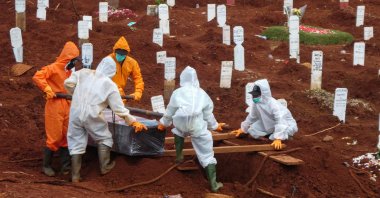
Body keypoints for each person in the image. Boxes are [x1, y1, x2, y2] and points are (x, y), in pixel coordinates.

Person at [64, 57, 147, 183]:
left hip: (75, 112)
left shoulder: (83, 72)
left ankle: (75, 176)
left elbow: (67, 83)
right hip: (92, 113)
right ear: (112, 72)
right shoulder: (109, 84)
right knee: (104, 138)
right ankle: (105, 166)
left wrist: (76, 94)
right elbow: (118, 109)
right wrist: (132, 121)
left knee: (76, 141)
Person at [157, 66, 225, 192]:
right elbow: (208, 114)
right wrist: (215, 126)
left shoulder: (178, 92)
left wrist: (163, 123)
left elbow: (170, 110)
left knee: (178, 131)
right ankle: (214, 185)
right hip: (196, 124)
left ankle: (179, 156)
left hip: (181, 122)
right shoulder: (201, 93)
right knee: (206, 153)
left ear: (183, 78)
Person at [32, 41, 80, 177]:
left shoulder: (70, 72)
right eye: (73, 60)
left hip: (68, 104)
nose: (75, 63)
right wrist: (47, 89)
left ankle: (65, 167)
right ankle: (46, 165)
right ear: (68, 59)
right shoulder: (53, 68)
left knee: (66, 135)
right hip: (55, 104)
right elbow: (38, 76)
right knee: (55, 136)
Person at [231, 79, 298, 150]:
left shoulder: (273, 104)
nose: (254, 97)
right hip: (269, 123)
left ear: (263, 93)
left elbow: (280, 120)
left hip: (286, 123)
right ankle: (270, 135)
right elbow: (252, 117)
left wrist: (278, 138)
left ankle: (286, 137)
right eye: (253, 95)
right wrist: (243, 129)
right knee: (252, 130)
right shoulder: (256, 103)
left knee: (284, 131)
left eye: (256, 94)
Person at [108, 36, 144, 102]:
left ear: (126, 54)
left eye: (122, 55)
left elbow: (138, 78)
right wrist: (118, 90)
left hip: (120, 94)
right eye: (119, 54)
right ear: (115, 51)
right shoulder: (108, 61)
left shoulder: (131, 63)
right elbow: (103, 78)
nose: (120, 56)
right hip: (108, 92)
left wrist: (138, 91)